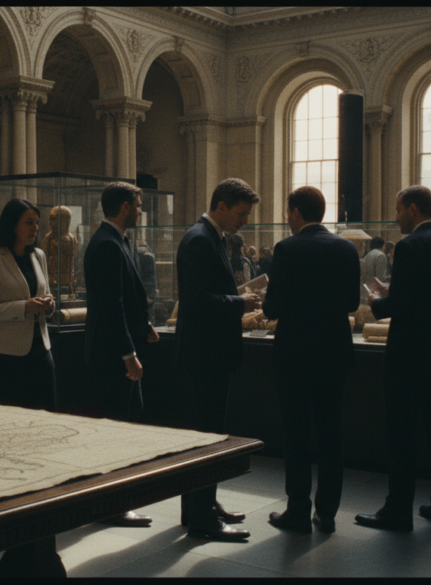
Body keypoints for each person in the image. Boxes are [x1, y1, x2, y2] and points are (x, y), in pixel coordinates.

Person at [356, 185, 431, 531]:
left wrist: (376, 302)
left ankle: (398, 510)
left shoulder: (409, 246)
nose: (396, 217)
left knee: (402, 431)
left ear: (413, 209)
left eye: (398, 209)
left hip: (409, 352)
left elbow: (401, 304)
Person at [262, 186, 360, 534]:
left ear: (295, 212)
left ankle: (298, 510)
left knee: (297, 434)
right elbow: (352, 303)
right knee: (331, 433)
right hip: (334, 352)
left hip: (295, 354)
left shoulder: (287, 248)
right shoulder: (347, 248)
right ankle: (328, 512)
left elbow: (273, 308)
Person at [175, 178, 261, 542]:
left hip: (206, 353)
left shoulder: (209, 236)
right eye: (241, 214)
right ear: (221, 206)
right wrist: (240, 303)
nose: (244, 221)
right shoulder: (200, 239)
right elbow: (197, 302)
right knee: (206, 437)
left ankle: (201, 506)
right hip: (205, 356)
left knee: (204, 435)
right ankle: (202, 518)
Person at [84, 182, 159, 528]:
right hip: (113, 355)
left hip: (118, 348)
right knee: (117, 429)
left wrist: (145, 324)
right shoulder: (107, 244)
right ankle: (111, 506)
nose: (141, 211)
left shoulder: (114, 241)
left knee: (128, 421)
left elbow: (126, 297)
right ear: (125, 207)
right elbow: (111, 306)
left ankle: (116, 500)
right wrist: (128, 353)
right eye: (138, 205)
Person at [0, 198, 56, 411]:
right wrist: (23, 307)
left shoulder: (39, 255)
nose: (35, 228)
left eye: (37, 222)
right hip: (5, 357)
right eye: (29, 222)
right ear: (12, 224)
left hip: (41, 350)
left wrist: (49, 304)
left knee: (46, 416)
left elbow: (45, 293)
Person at [360, 236, 387, 302]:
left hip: (367, 289)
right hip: (375, 291)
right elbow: (380, 277)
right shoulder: (381, 255)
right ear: (383, 245)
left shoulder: (367, 255)